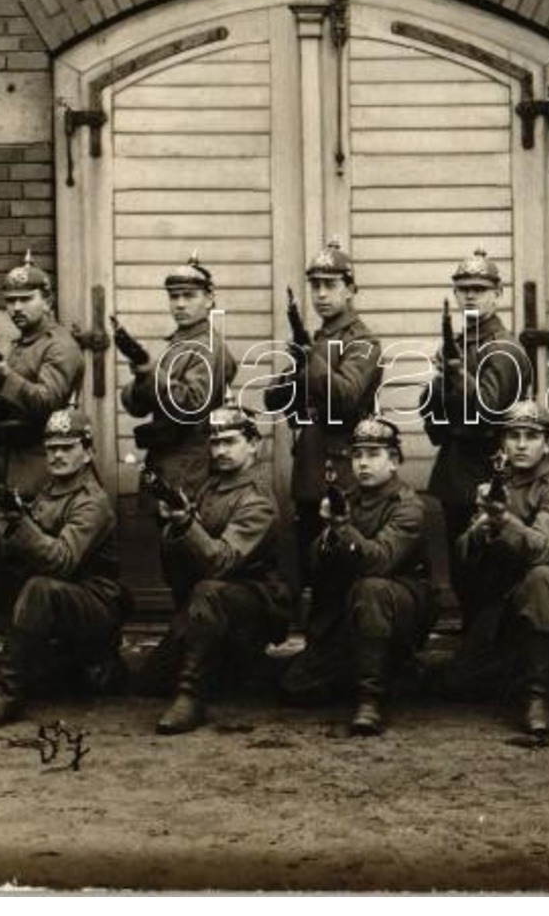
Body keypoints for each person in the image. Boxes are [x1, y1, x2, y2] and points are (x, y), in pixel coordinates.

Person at [0, 408, 131, 730]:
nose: (58, 455)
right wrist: (11, 526)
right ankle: (58, 664)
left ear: (88, 451)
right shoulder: (49, 491)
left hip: (93, 603)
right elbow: (26, 549)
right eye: (52, 448)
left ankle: (9, 693)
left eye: (68, 447)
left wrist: (23, 526)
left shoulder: (91, 501)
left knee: (39, 587)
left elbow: (62, 561)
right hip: (60, 601)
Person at [280, 416, 431, 736]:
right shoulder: (347, 499)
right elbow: (316, 566)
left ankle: (370, 699)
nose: (362, 463)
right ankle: (385, 669)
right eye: (358, 455)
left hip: (398, 605)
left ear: (394, 461)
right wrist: (328, 537)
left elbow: (380, 561)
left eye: (373, 455)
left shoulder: (408, 506)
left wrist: (342, 529)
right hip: (353, 611)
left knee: (371, 588)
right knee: (297, 685)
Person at [443, 399, 549, 737]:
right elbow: (462, 555)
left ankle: (538, 694)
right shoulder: (495, 486)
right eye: (513, 435)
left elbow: (542, 549)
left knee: (540, 577)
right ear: (502, 442)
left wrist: (504, 520)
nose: (521, 444)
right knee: (456, 685)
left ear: (547, 444)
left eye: (531, 436)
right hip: (508, 602)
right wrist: (480, 529)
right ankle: (543, 667)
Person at [151, 407, 290, 735]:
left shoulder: (258, 499)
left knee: (209, 591)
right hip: (209, 605)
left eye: (230, 442)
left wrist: (187, 524)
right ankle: (237, 668)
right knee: (151, 680)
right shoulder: (211, 486)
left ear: (254, 444)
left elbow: (221, 563)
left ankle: (192, 695)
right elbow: (180, 557)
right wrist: (174, 523)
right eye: (215, 443)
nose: (220, 451)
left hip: (253, 602)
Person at [264, 239, 382, 594]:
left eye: (330, 285)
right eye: (315, 285)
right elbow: (273, 398)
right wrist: (297, 368)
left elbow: (345, 396)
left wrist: (309, 358)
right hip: (309, 464)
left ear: (351, 289)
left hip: (344, 466)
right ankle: (319, 642)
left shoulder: (363, 341)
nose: (321, 294)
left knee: (341, 565)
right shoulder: (316, 341)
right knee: (311, 561)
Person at [423, 247, 533, 607]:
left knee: (488, 570)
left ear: (498, 294)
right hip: (456, 467)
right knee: (462, 566)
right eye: (463, 288)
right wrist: (438, 386)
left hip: (488, 467)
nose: (470, 295)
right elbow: (436, 409)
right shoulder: (461, 343)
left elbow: (485, 411)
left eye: (480, 289)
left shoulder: (504, 349)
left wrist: (455, 375)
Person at [119, 251, 237, 495]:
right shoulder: (179, 344)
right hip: (166, 460)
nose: (180, 304)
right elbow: (137, 407)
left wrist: (152, 374)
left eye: (189, 296)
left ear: (209, 299)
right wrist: (142, 375)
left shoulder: (209, 347)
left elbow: (191, 405)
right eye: (174, 297)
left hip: (190, 466)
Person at [0, 250, 85, 494]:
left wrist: (6, 376)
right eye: (11, 300)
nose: (16, 307)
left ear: (47, 301)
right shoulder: (20, 344)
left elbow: (47, 403)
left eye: (26, 299)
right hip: (16, 460)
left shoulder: (60, 345)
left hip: (48, 464)